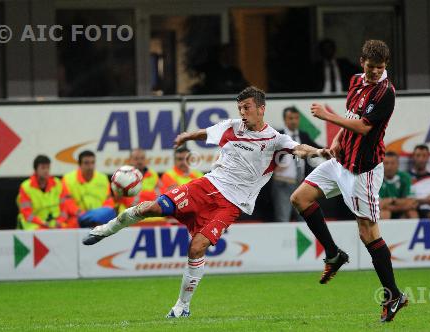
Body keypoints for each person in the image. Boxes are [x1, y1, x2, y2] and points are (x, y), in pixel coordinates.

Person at [82, 86, 320, 318]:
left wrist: (319, 153)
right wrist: (188, 135)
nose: (242, 113)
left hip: (231, 204)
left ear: (261, 109)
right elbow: (207, 132)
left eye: (246, 107)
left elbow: (299, 148)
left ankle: (182, 306)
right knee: (151, 207)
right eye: (240, 108)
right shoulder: (231, 126)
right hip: (206, 186)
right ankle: (105, 230)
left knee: (196, 247)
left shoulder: (276, 139)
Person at [289, 40, 408, 322]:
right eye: (371, 67)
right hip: (340, 162)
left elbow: (363, 127)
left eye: (380, 67)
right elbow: (352, 117)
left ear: (386, 66)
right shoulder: (356, 81)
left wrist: (328, 117)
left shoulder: (386, 93)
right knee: (299, 198)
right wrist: (336, 139)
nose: (376, 72)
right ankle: (333, 254)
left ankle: (393, 295)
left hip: (363, 171)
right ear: (361, 62)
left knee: (368, 233)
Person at [272, 106, 321, 222]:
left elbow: (318, 149)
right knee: (283, 218)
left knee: (304, 218)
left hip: (301, 183)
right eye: (290, 118)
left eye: (296, 118)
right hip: (283, 183)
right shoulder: (278, 136)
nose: (294, 121)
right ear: (285, 120)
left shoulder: (303, 136)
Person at [17, 155, 77, 230]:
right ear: (35, 170)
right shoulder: (25, 187)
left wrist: (59, 221)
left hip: (55, 223)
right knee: (41, 232)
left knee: (75, 223)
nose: (46, 171)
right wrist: (43, 223)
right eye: (43, 168)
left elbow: (64, 208)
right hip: (35, 224)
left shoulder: (57, 183)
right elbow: (27, 214)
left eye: (48, 168)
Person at [62, 150, 115, 226]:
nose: (90, 166)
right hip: (78, 218)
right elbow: (68, 203)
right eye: (86, 163)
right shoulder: (68, 179)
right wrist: (85, 215)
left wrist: (99, 216)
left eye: (92, 163)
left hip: (100, 219)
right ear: (79, 165)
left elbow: (109, 202)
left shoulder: (103, 178)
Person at [115, 148, 161, 213]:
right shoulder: (123, 175)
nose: (140, 161)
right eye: (136, 159)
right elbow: (125, 201)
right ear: (130, 160)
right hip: (129, 213)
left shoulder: (153, 174)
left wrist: (142, 196)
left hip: (151, 213)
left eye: (142, 158)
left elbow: (161, 196)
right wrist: (149, 195)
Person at [379, 151, 418, 219]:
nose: (389, 166)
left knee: (412, 213)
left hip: (401, 211)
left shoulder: (406, 177)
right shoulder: (376, 178)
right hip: (383, 211)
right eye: (386, 163)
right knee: (385, 213)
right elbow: (379, 205)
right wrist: (400, 202)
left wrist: (392, 200)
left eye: (392, 163)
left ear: (398, 164)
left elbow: (412, 202)